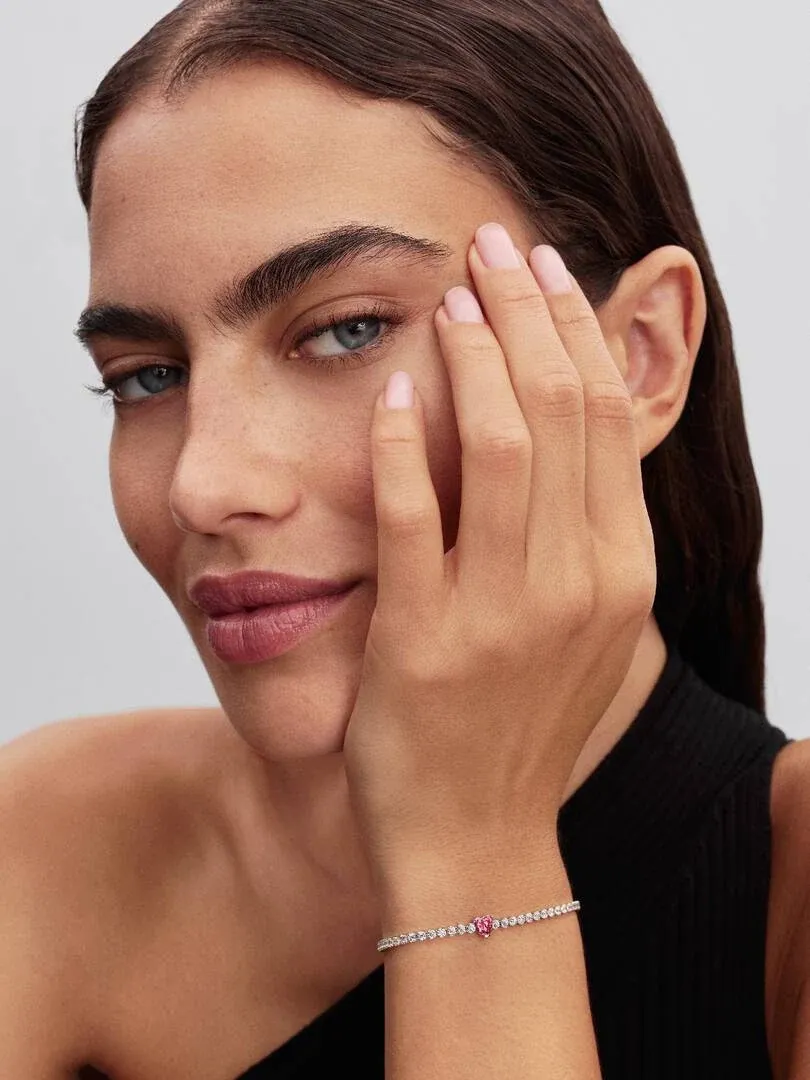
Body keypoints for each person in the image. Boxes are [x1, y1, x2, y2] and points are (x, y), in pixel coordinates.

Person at [2, 0, 807, 1076]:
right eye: (146, 375)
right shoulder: (54, 840)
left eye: (347, 329)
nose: (203, 483)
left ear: (640, 356)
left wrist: (474, 851)